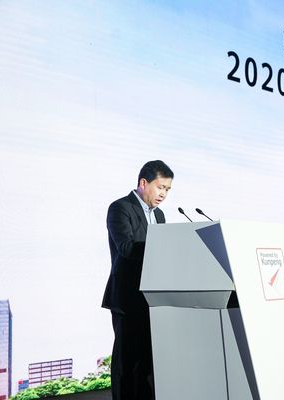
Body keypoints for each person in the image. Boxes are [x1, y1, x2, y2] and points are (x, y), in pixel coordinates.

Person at [102, 160, 174, 400]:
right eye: (160, 187)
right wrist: (162, 245)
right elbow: (126, 247)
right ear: (144, 183)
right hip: (127, 297)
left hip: (152, 298)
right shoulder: (120, 208)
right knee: (126, 362)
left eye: (167, 189)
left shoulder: (159, 215)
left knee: (146, 363)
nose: (163, 194)